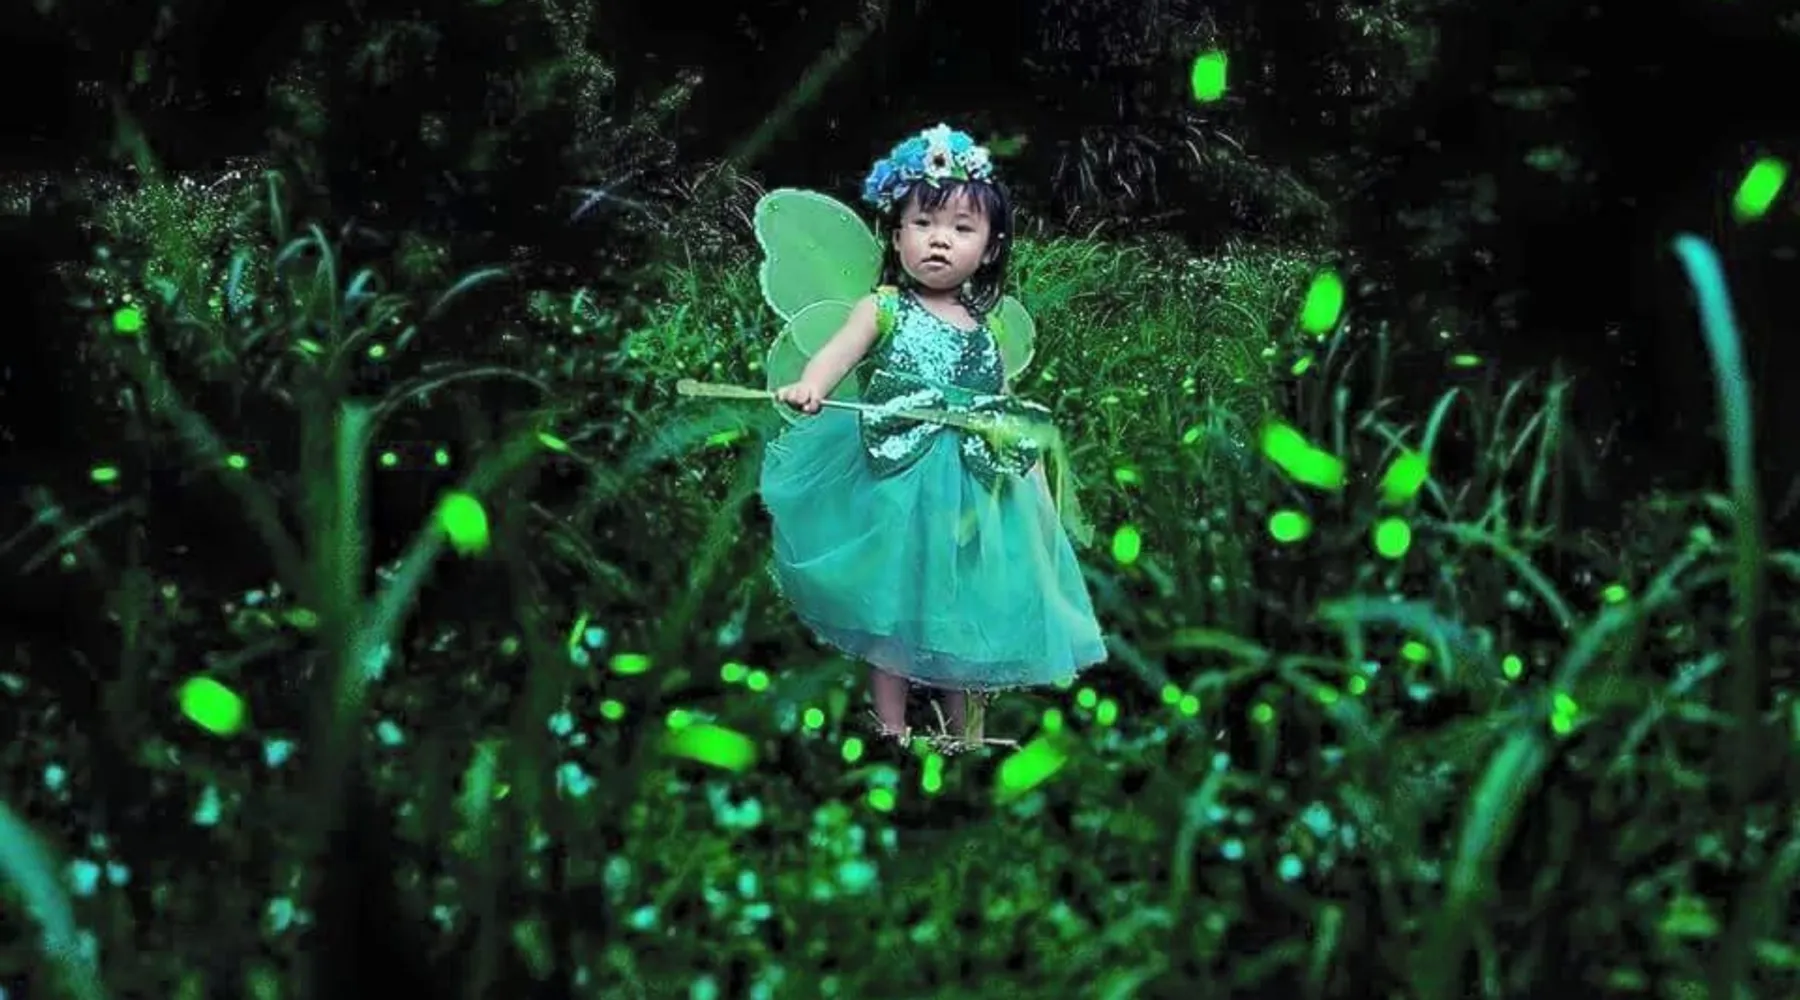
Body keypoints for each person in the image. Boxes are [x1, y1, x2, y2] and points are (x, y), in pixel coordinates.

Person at [758, 124, 1108, 751]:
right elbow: (838, 353)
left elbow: (997, 398)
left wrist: (1015, 441)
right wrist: (812, 385)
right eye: (923, 223)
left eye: (961, 228)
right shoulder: (884, 307)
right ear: (897, 237)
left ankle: (966, 733)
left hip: (973, 485)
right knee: (889, 597)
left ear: (990, 249)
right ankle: (890, 727)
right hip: (899, 479)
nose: (939, 239)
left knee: (968, 599)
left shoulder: (985, 325)